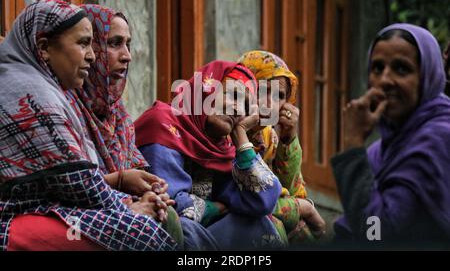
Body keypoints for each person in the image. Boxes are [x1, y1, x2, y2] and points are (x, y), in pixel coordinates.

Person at [0, 0, 176, 251]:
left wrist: (139, 198)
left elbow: (82, 184)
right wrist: (128, 207)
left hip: (46, 210)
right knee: (141, 233)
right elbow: (79, 184)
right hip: (13, 219)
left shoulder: (110, 112)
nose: (93, 56)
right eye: (84, 44)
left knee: (161, 222)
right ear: (44, 47)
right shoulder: (31, 94)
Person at [135, 61, 286, 249]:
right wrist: (218, 207)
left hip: (199, 237)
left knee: (257, 224)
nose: (237, 109)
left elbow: (264, 201)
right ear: (205, 91)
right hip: (159, 234)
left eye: (245, 107)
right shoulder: (163, 124)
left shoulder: (222, 148)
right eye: (233, 95)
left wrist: (240, 134)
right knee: (185, 228)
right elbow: (169, 203)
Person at [332, 23, 450, 248]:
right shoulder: (382, 149)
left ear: (428, 77)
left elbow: (377, 233)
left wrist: (352, 144)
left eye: (402, 69)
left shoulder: (439, 138)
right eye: (377, 68)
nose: (385, 80)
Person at [238, 51, 326, 245]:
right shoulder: (226, 130)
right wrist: (304, 208)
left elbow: (293, 191)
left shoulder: (268, 136)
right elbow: (247, 201)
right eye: (262, 90)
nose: (269, 103)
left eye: (279, 96)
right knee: (274, 225)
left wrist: (288, 137)